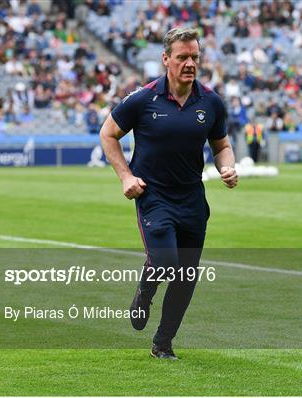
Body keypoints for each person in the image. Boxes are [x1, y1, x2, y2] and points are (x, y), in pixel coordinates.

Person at [99, 28, 237, 360]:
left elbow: (222, 146)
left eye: (195, 57)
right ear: (166, 60)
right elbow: (108, 134)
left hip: (192, 199)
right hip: (154, 196)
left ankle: (163, 342)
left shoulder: (211, 102)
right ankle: (144, 294)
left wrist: (227, 167)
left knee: (186, 275)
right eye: (182, 57)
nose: (190, 63)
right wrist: (125, 177)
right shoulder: (143, 99)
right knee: (165, 262)